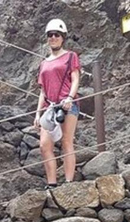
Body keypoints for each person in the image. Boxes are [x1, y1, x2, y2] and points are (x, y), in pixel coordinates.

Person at [34, 19, 81, 189]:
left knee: (67, 141)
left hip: (67, 104)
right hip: (50, 107)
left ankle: (68, 183)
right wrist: (38, 113)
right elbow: (43, 91)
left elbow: (75, 78)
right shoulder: (44, 63)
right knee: (44, 145)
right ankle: (52, 183)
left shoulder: (70, 56)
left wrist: (69, 97)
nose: (53, 37)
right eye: (50, 35)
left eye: (57, 35)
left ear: (63, 37)